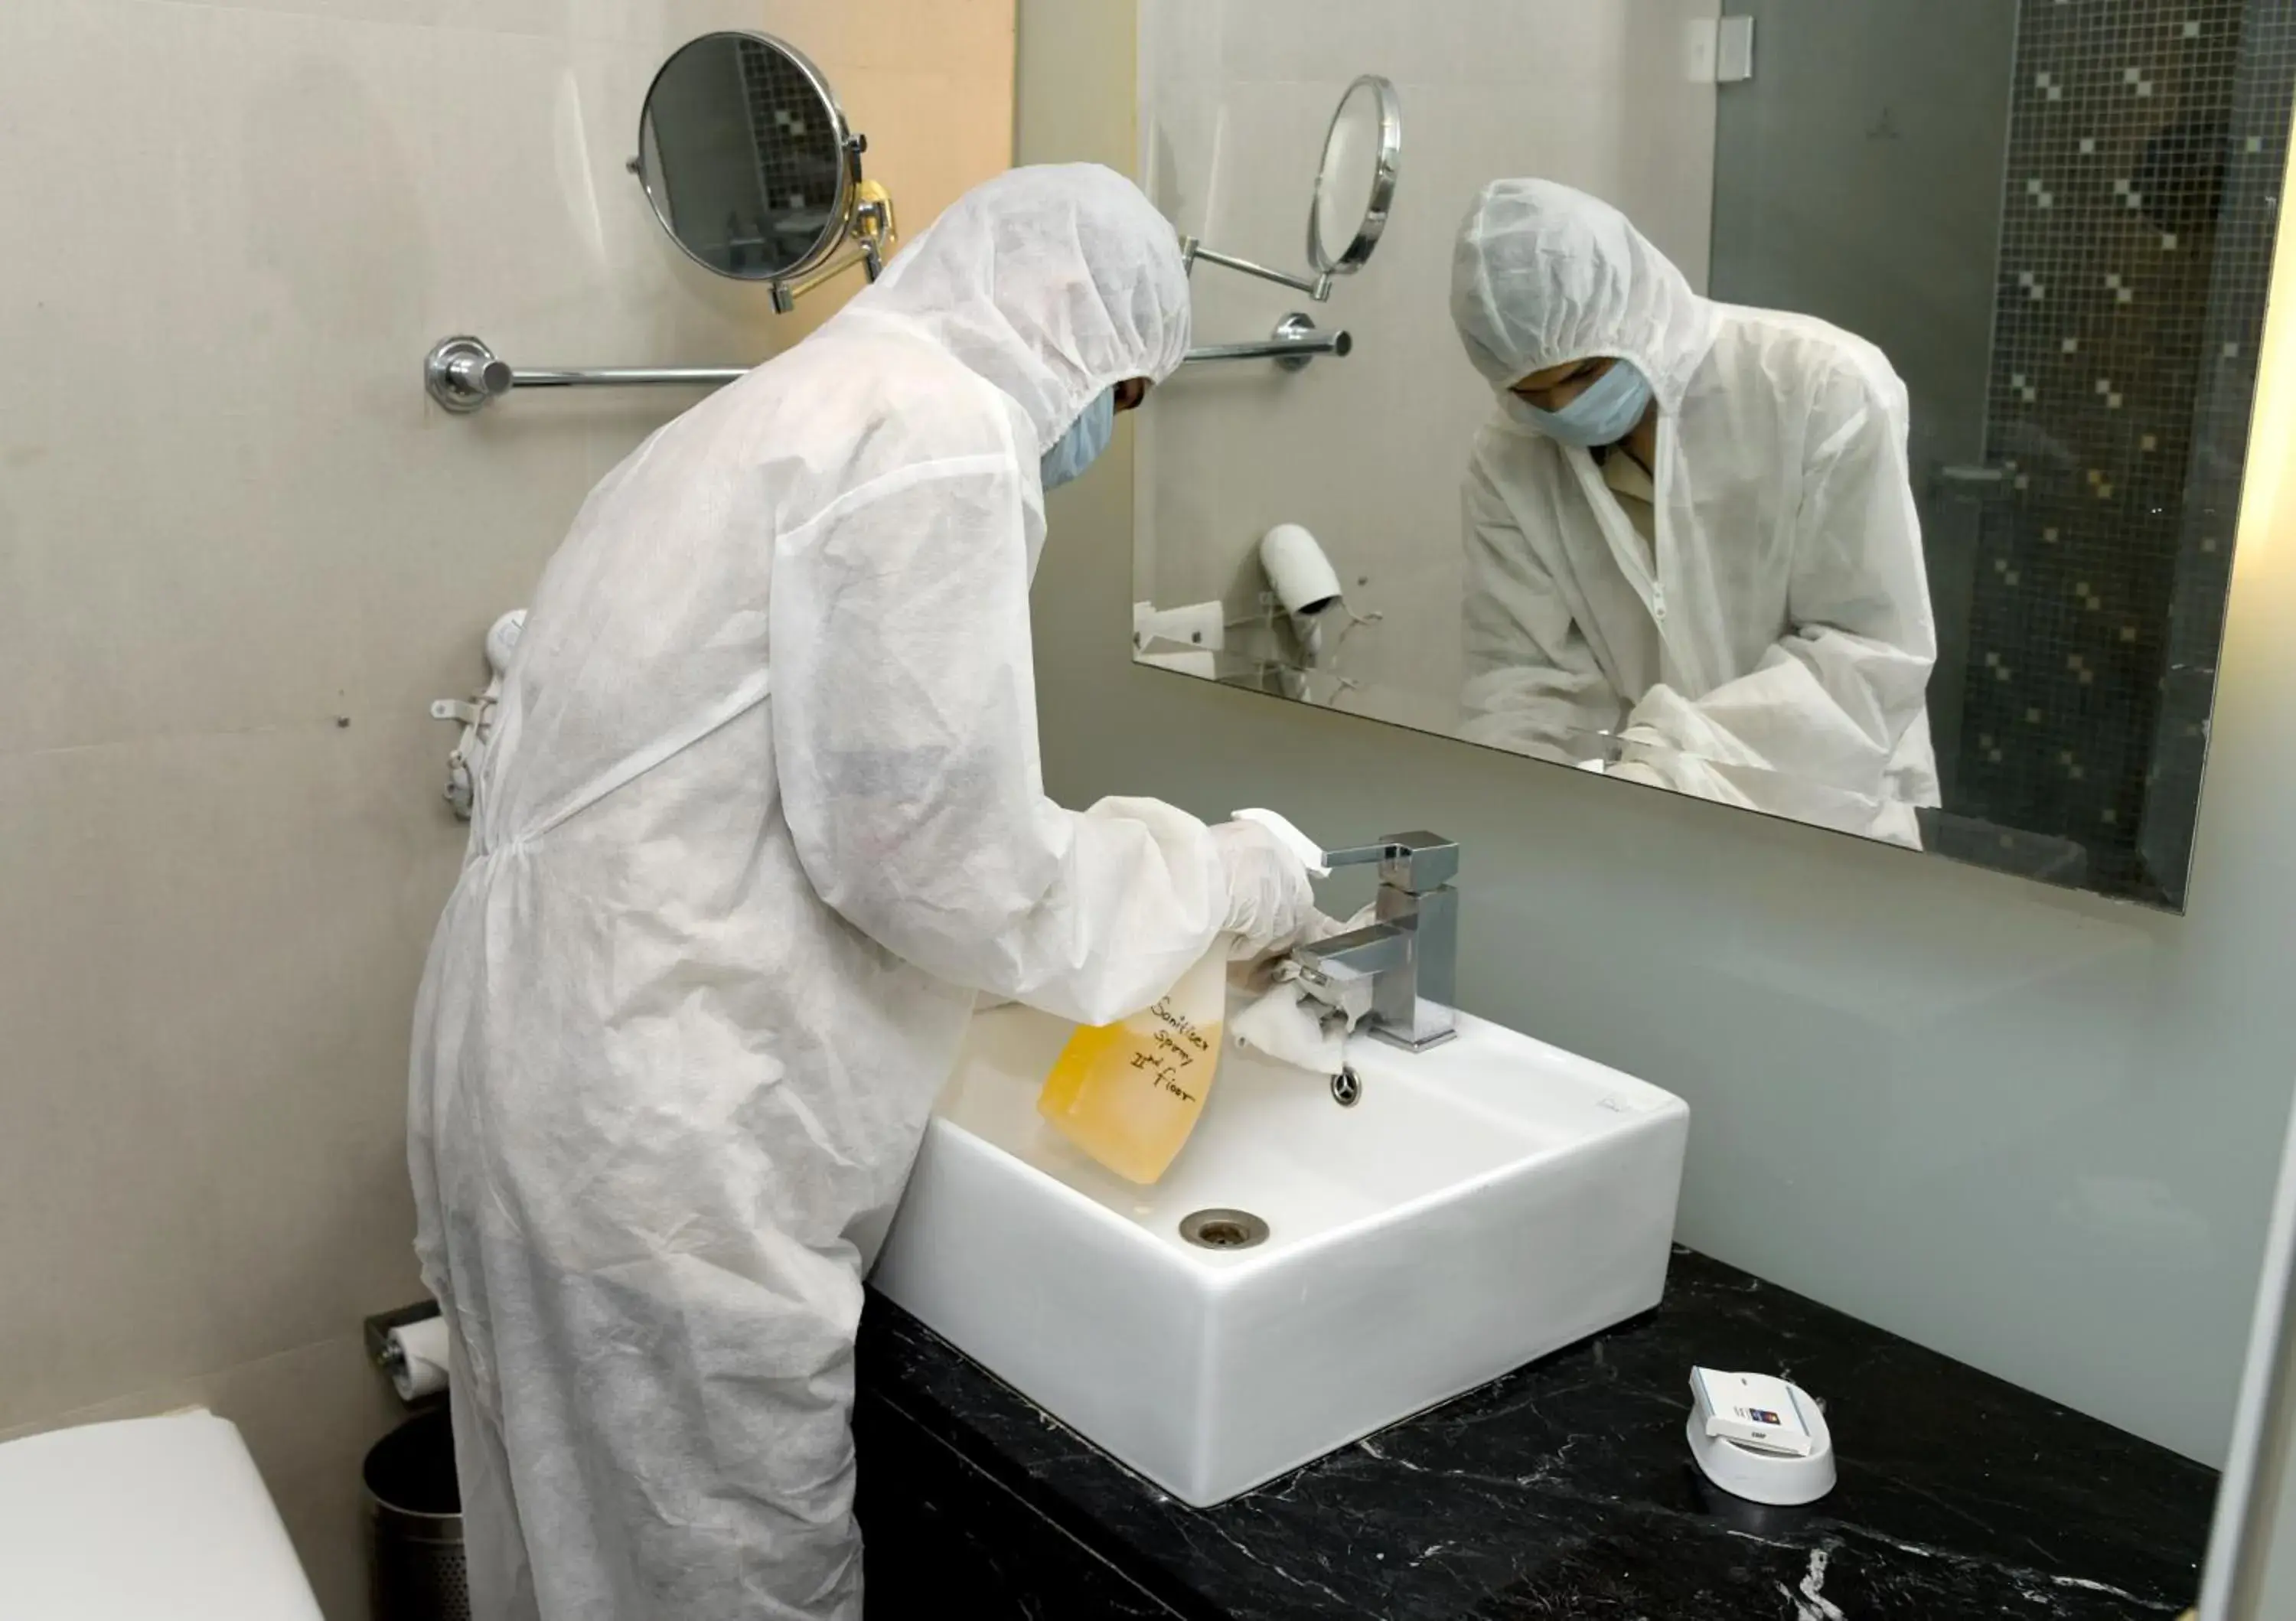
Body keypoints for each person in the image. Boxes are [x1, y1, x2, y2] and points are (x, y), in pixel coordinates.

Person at [406, 165, 1321, 1621]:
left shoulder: (755, 416)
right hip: (666, 1134)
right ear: (1075, 326)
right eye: (1125, 391)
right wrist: (1222, 877)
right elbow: (943, 867)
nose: (1104, 431)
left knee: (574, 1564)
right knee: (726, 1578)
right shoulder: (937, 434)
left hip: (525, 1080)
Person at [1450, 178, 1939, 846]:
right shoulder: (1512, 456)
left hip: (1829, 809)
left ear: (1637, 312)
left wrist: (1671, 769)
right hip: (1634, 822)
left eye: (1586, 374)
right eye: (1535, 394)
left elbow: (1865, 655)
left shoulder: (1818, 387)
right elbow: (1523, 676)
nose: (1564, 409)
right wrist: (1514, 822)